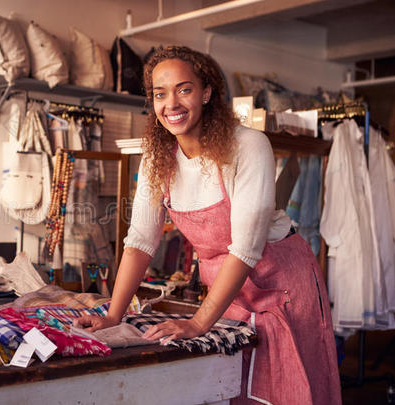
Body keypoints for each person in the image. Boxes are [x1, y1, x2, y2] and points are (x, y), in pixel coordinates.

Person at [74, 46, 341, 404]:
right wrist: (112, 315)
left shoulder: (249, 146)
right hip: (229, 294)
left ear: (206, 92)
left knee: (289, 389)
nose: (172, 103)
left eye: (184, 89)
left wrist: (198, 324)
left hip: (283, 289)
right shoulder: (158, 159)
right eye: (159, 94)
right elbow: (140, 240)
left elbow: (246, 249)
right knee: (231, 389)